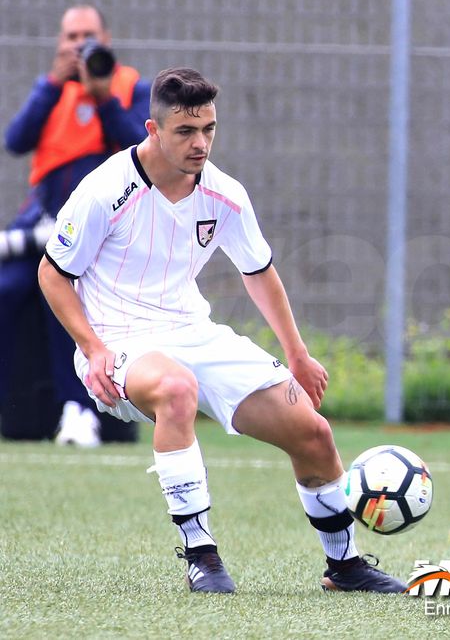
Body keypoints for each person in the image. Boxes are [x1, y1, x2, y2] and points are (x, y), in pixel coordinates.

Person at [38, 67, 406, 595]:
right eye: (186, 131)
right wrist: (92, 348)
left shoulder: (225, 194)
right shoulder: (104, 191)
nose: (200, 142)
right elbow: (52, 273)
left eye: (209, 129)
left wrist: (297, 354)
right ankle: (201, 556)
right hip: (116, 342)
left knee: (313, 432)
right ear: (153, 129)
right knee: (176, 389)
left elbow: (258, 273)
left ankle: (345, 567)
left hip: (193, 331)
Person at [2, 4, 150, 447]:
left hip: (103, 228)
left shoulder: (131, 87)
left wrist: (102, 97)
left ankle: (80, 410)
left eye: (88, 36)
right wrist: (51, 84)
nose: (79, 45)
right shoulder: (50, 90)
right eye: (71, 37)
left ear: (106, 39)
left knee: (64, 295)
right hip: (43, 223)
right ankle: (15, 406)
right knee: (7, 291)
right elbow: (15, 140)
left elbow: (141, 146)